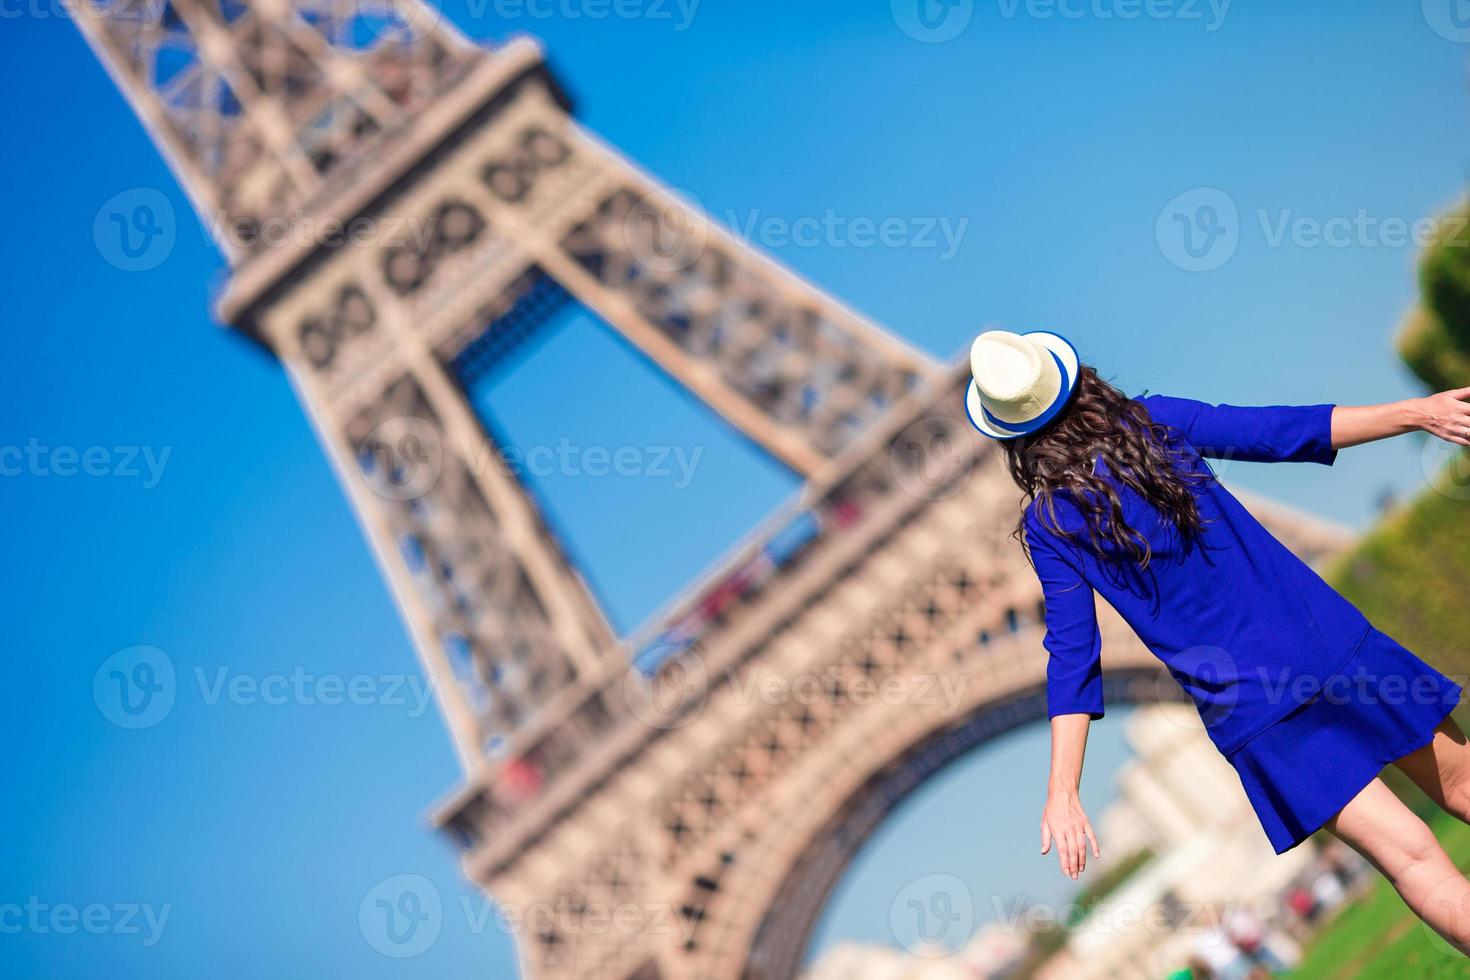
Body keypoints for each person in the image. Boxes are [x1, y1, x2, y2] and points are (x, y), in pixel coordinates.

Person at [963, 329, 1470, 952]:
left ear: (1008, 432)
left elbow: (1073, 652)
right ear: (1069, 379)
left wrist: (1062, 790)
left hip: (1259, 715)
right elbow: (1275, 431)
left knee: (1416, 863)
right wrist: (1418, 412)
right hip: (1328, 645)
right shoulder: (1155, 425)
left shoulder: (1048, 525)